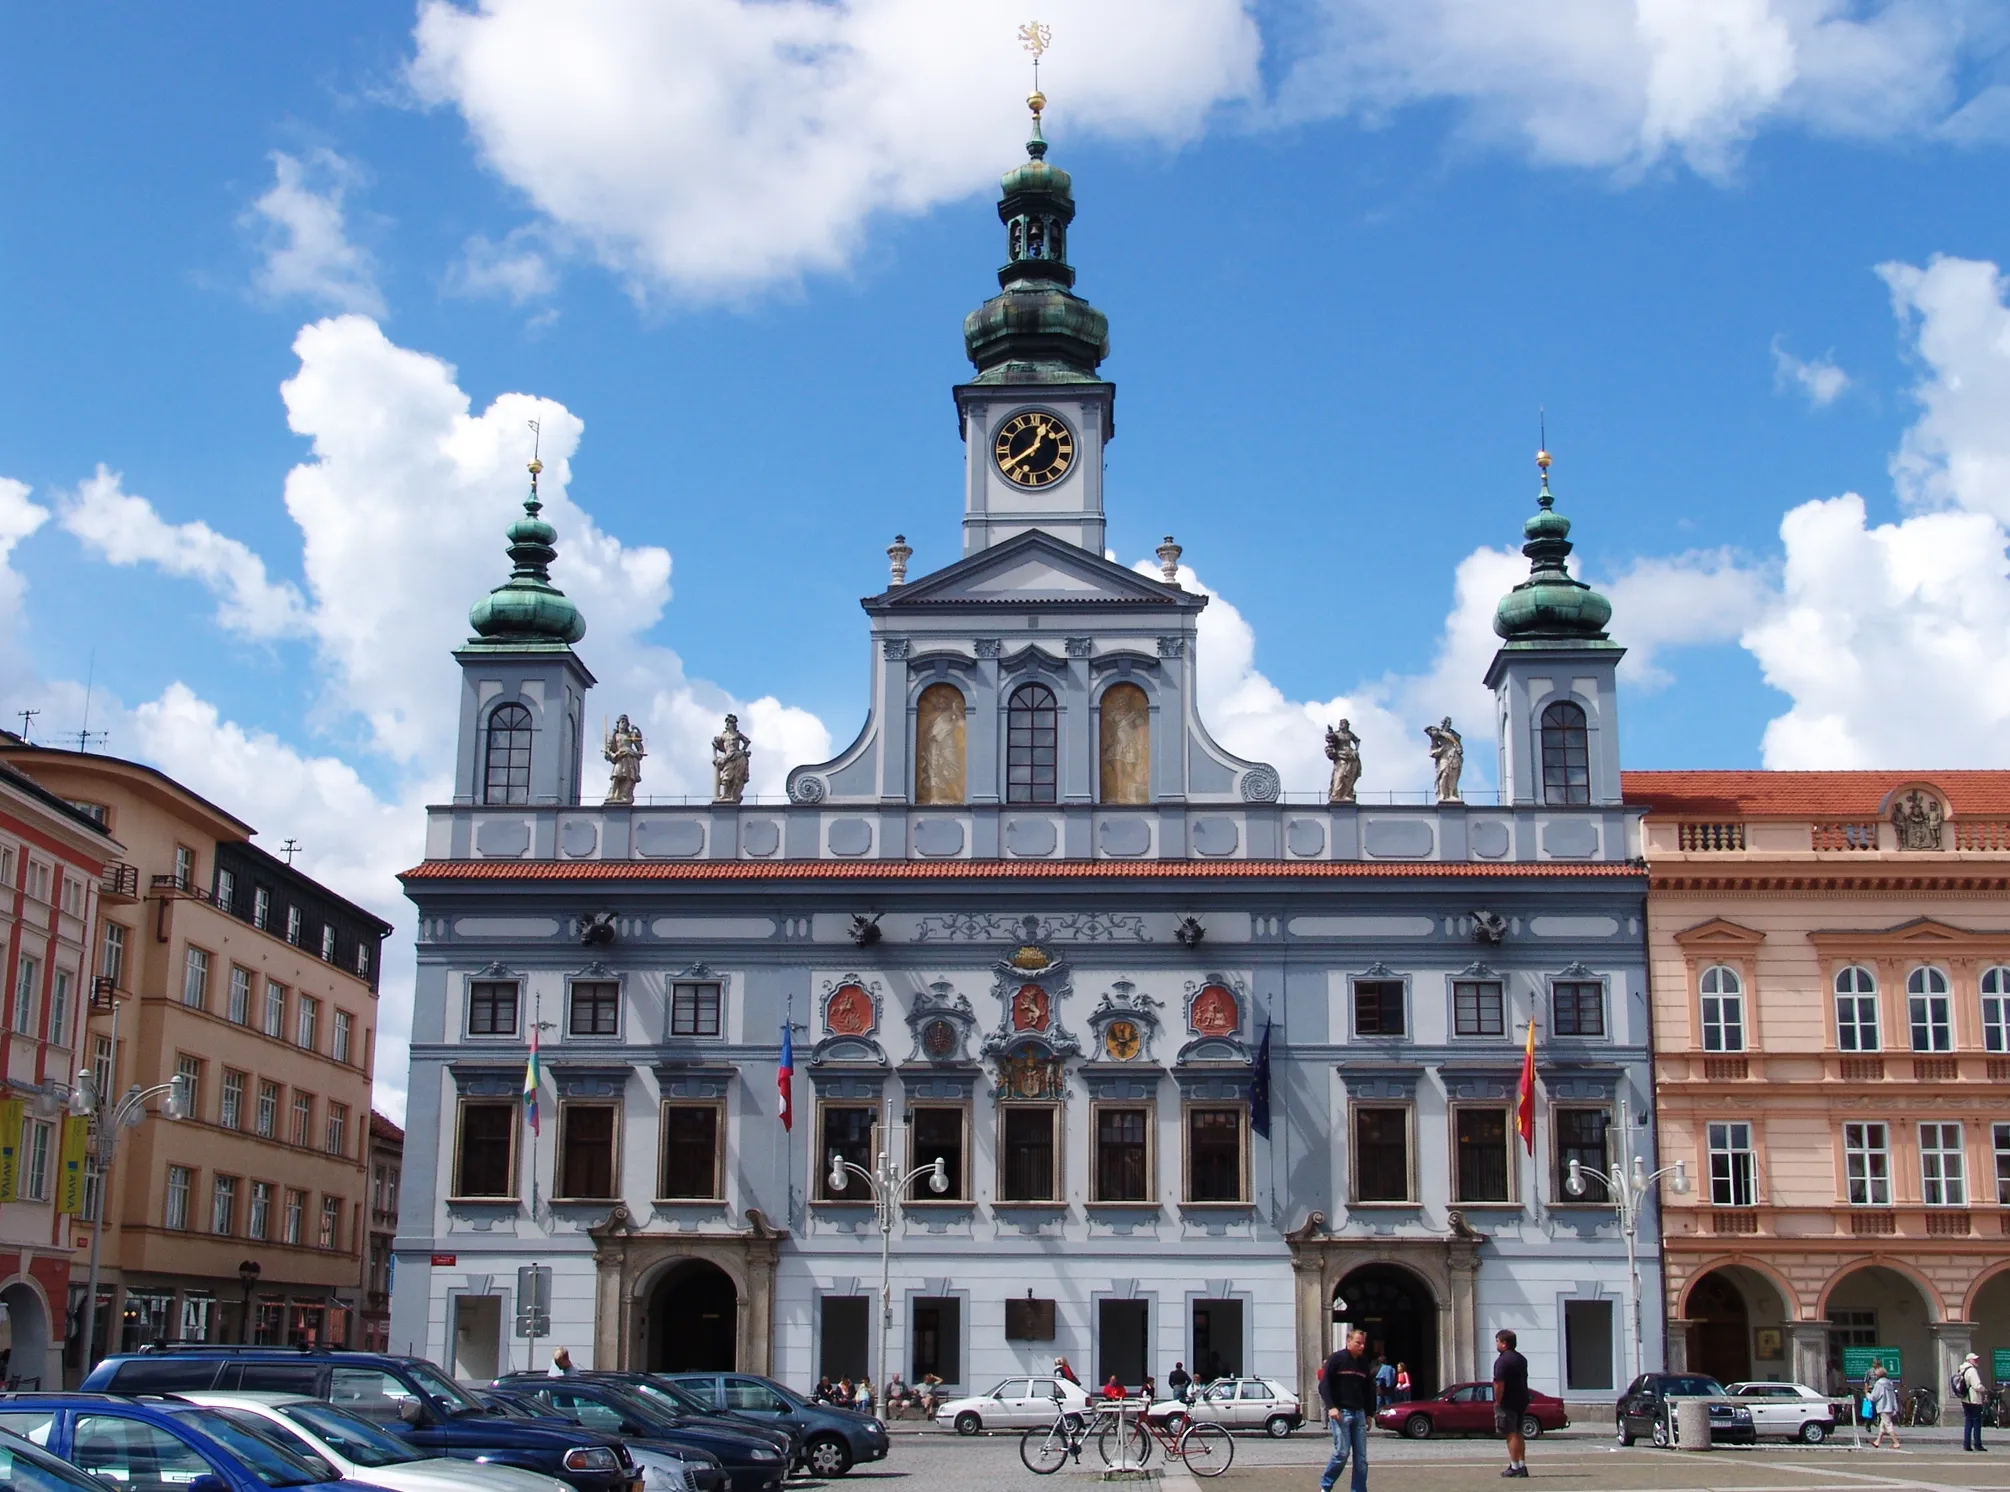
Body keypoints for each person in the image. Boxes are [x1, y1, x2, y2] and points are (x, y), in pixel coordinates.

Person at [1319, 1327, 1374, 1492]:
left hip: (1359, 1413)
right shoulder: (1336, 1359)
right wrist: (1331, 1407)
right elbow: (1324, 1385)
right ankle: (1326, 1485)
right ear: (1348, 1341)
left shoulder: (1364, 1363)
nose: (1362, 1346)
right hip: (1341, 1413)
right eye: (1358, 1343)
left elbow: (1369, 1389)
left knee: (1361, 1459)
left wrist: (1370, 1413)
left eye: (1363, 1343)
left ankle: (1358, 1490)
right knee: (1342, 1453)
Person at [1493, 1329, 1530, 1478]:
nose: (1496, 1344)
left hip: (1508, 1400)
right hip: (1522, 1399)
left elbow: (1499, 1384)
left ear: (1504, 1343)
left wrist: (1497, 1401)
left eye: (1497, 1341)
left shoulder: (1502, 1361)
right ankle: (1521, 1464)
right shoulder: (1521, 1359)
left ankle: (1514, 1466)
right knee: (1519, 1432)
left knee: (1511, 1433)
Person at [1957, 1351, 1988, 1452]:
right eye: (1974, 1359)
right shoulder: (1972, 1370)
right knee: (1977, 1422)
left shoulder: (1962, 1369)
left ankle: (1966, 1444)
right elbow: (1977, 1386)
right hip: (1974, 1399)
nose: (1976, 1361)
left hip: (1965, 1399)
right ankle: (1978, 1444)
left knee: (1968, 1421)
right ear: (1969, 1360)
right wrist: (1985, 1389)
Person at [1867, 1364, 1900, 1448]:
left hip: (1883, 1407)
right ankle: (1877, 1442)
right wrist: (1895, 1407)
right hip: (1890, 1407)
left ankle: (1896, 1443)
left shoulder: (1879, 1384)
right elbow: (1893, 1396)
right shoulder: (1890, 1383)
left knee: (1888, 1425)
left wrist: (1868, 1395)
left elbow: (1874, 1396)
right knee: (1883, 1426)